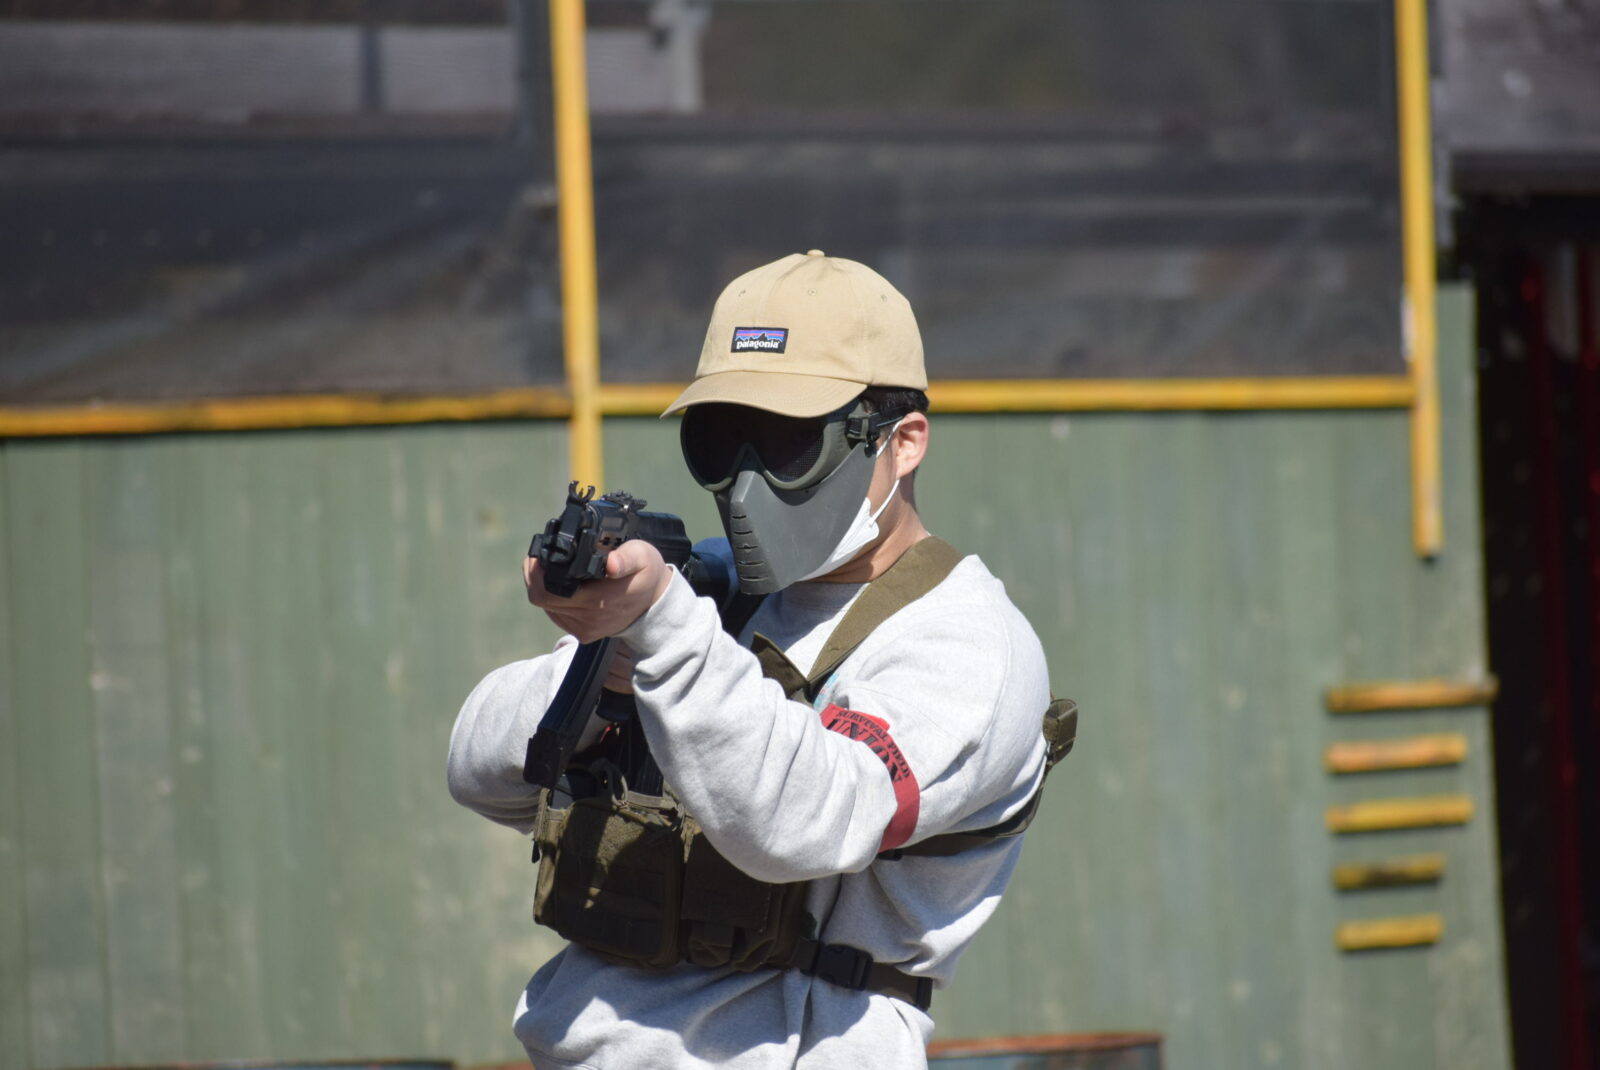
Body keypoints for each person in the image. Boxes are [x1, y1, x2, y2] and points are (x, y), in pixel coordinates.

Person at [447, 250, 1060, 1070]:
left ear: (904, 442)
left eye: (786, 441)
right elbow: (481, 774)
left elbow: (808, 821)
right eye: (721, 440)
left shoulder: (965, 641)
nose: (745, 480)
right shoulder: (710, 592)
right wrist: (604, 670)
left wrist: (664, 634)